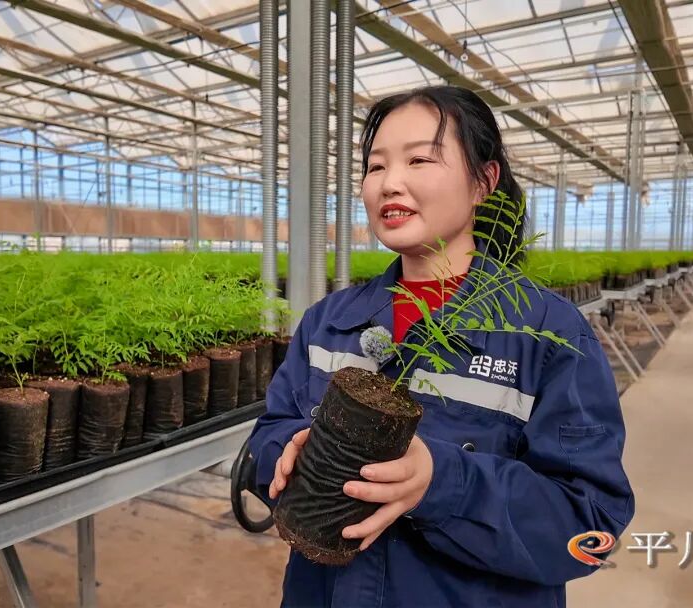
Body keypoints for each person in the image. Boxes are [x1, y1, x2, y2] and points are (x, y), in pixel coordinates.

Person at [248, 85, 634, 607]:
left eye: (419, 160)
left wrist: (442, 482)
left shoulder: (548, 333)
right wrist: (289, 454)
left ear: (483, 182)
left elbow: (590, 522)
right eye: (376, 166)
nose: (390, 183)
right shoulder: (329, 322)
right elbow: (269, 432)